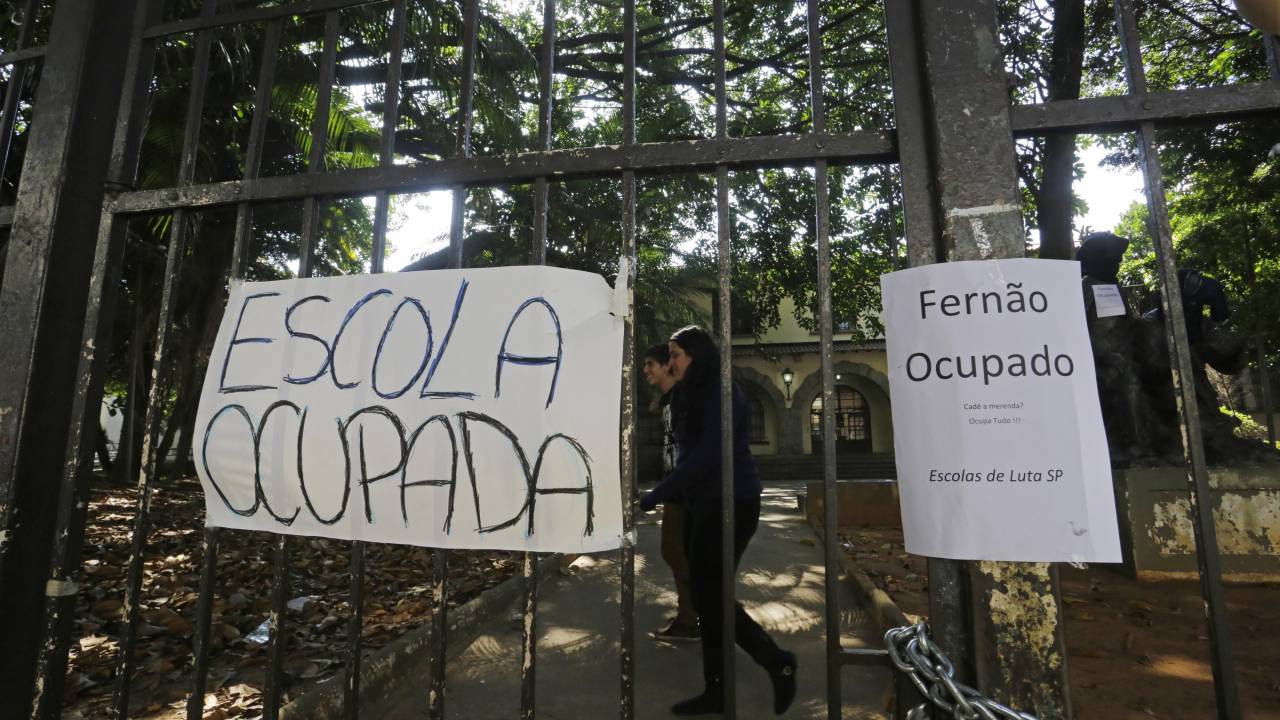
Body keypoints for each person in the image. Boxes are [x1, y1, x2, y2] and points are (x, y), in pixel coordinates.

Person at [639, 326, 796, 716]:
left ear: (695, 355)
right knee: (707, 597)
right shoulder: (690, 392)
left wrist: (657, 494)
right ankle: (717, 690)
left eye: (675, 354)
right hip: (699, 503)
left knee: (711, 596)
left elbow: (709, 454)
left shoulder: (723, 394)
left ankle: (777, 661)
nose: (670, 361)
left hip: (731, 502)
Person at [642, 342, 699, 641]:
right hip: (678, 489)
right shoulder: (669, 400)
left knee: (676, 551)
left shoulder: (682, 399)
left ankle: (694, 618)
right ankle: (693, 615)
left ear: (667, 365)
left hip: (686, 490)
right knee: (680, 553)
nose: (645, 370)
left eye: (650, 363)